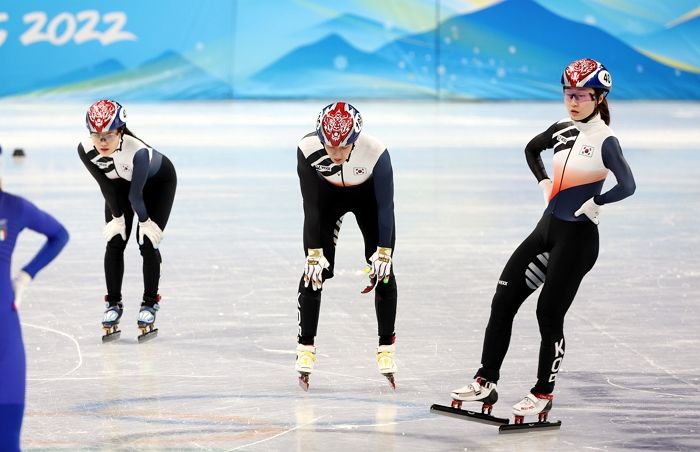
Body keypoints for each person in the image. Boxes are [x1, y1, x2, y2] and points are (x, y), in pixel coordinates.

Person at [449, 58, 636, 425]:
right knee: (503, 301)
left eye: (582, 95)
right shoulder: (561, 128)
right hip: (545, 230)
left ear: (598, 98)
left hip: (578, 240)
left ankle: (542, 393)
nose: (573, 101)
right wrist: (543, 183)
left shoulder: (605, 140)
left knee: (548, 314)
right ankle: (486, 380)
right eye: (569, 94)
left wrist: (598, 201)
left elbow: (628, 184)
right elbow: (531, 150)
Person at [295, 101, 398, 390]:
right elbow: (311, 206)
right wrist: (314, 253)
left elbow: (385, 207)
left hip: (368, 202)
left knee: (384, 270)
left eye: (343, 148)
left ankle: (386, 348)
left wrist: (383, 252)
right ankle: (305, 347)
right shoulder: (307, 148)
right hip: (327, 201)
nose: (336, 154)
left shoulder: (376, 151)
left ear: (354, 140)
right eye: (330, 147)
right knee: (314, 271)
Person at [78, 99, 177, 342]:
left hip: (156, 187)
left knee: (146, 242)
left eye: (109, 135)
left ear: (120, 132)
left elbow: (136, 194)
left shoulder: (138, 151)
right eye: (96, 135)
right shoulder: (84, 149)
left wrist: (145, 222)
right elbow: (106, 186)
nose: (102, 142)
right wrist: (117, 217)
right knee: (115, 240)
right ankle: (113, 304)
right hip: (118, 188)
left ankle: (150, 304)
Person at [0, 158, 69, 451]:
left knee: (7, 439)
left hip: (4, 334)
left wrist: (27, 275)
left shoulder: (12, 207)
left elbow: (59, 235)